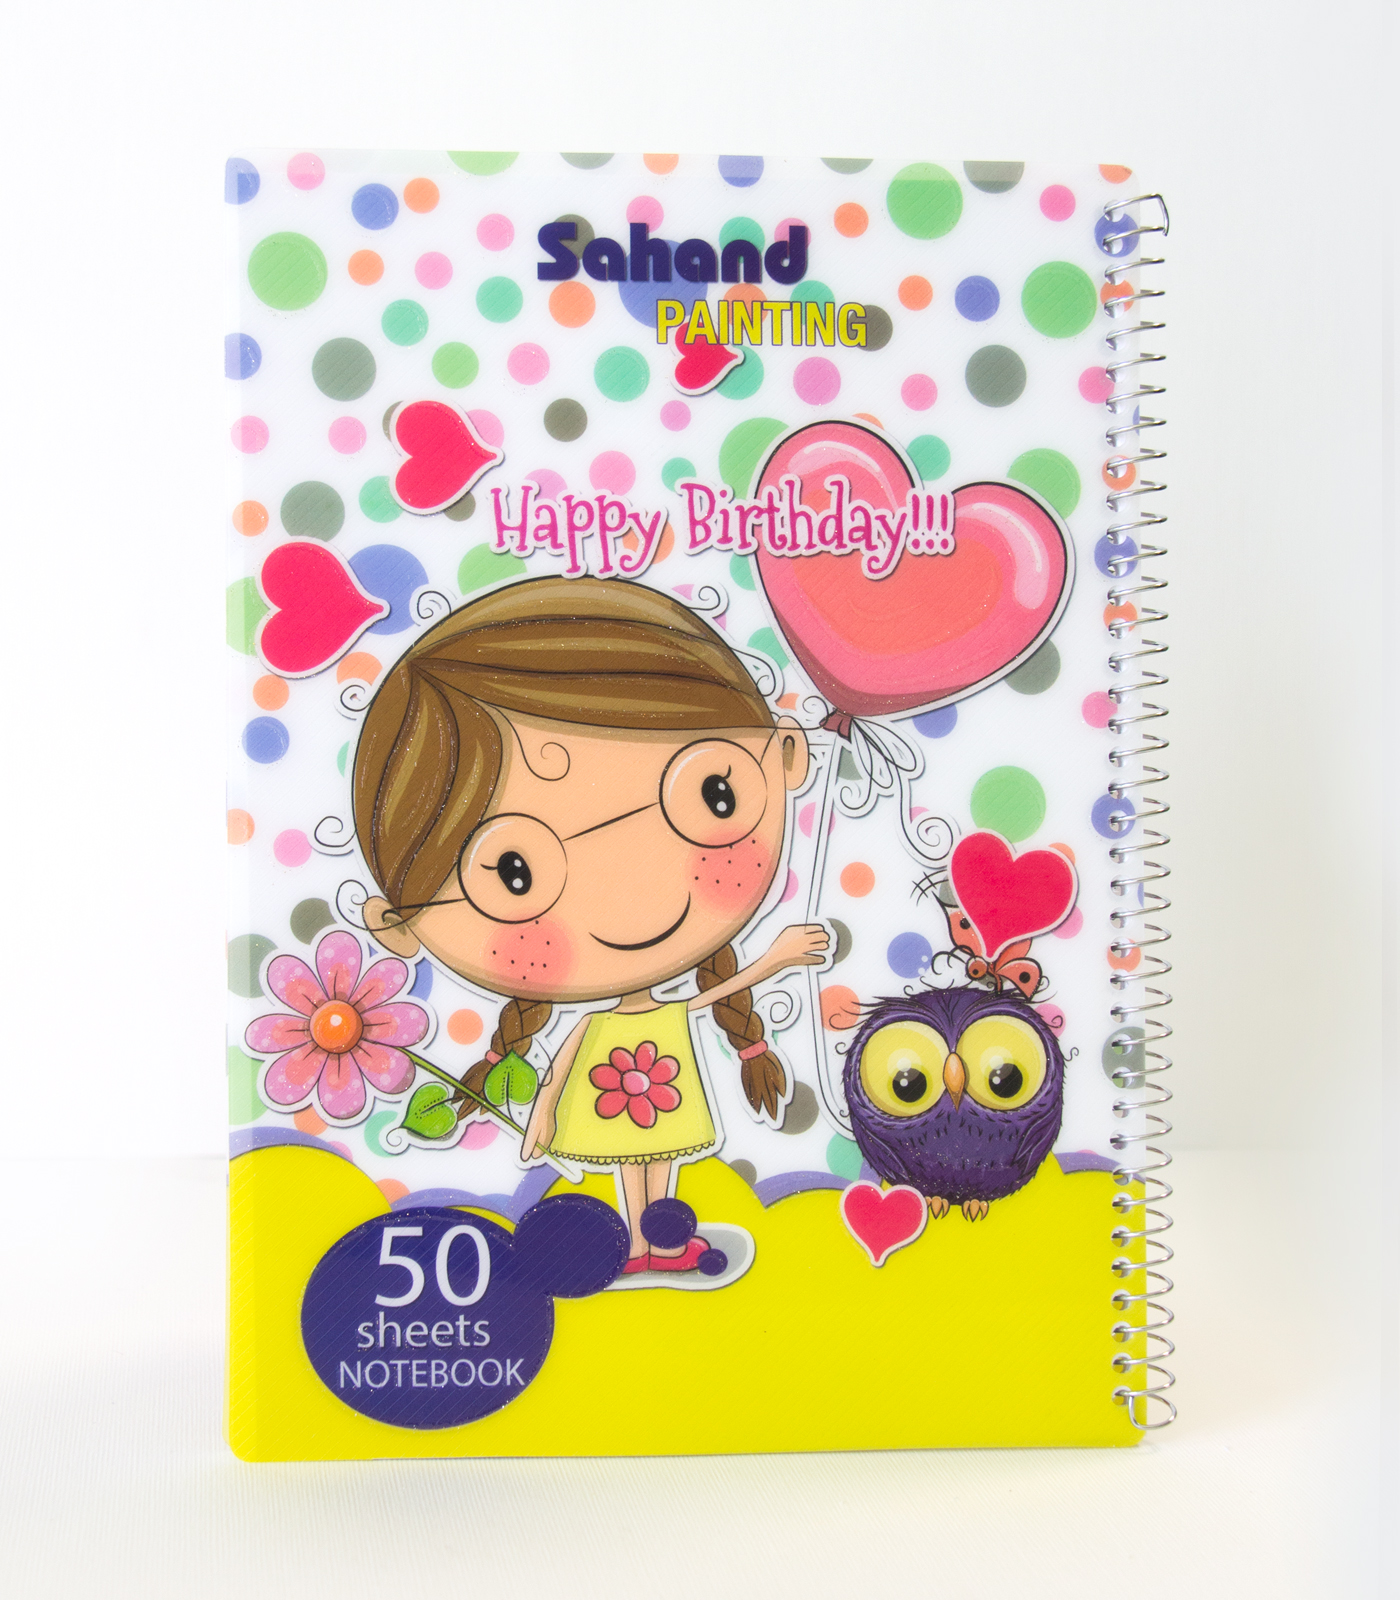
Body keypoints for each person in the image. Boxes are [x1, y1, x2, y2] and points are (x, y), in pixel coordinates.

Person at [353, 576, 827, 1271]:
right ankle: (639, 1241)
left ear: (785, 756)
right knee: (639, 1165)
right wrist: (542, 1116)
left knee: (657, 1161)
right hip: (617, 1098)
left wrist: (776, 958)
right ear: (400, 926)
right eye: (515, 873)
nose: (635, 898)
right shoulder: (596, 1024)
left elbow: (706, 1000)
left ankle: (656, 1239)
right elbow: (560, 1070)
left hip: (656, 1093)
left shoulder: (647, 1006)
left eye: (714, 793)